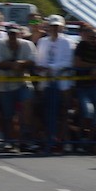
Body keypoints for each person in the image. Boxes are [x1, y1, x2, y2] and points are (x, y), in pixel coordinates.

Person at [32, 15, 74, 155]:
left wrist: (51, 68)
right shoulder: (43, 42)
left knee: (62, 113)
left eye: (57, 26)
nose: (55, 29)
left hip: (62, 83)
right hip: (45, 82)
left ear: (61, 27)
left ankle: (63, 142)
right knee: (45, 112)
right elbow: (39, 60)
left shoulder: (67, 42)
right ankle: (48, 140)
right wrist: (42, 68)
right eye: (52, 26)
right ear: (48, 27)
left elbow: (68, 62)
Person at [0, 22, 34, 151]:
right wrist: (12, 65)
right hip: (3, 84)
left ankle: (25, 140)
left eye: (15, 34)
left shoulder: (27, 45)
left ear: (19, 34)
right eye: (10, 33)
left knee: (27, 103)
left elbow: (33, 60)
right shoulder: (0, 44)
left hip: (22, 82)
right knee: (7, 114)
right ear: (7, 34)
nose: (12, 36)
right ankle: (9, 141)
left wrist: (20, 63)